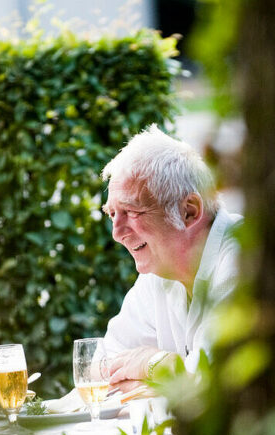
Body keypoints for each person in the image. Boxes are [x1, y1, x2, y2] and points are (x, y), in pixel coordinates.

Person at [101, 125, 243, 393]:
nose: (116, 233)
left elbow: (213, 386)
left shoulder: (240, 262)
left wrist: (152, 364)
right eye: (111, 214)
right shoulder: (157, 275)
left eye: (131, 211)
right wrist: (172, 376)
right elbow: (106, 366)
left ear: (189, 212)